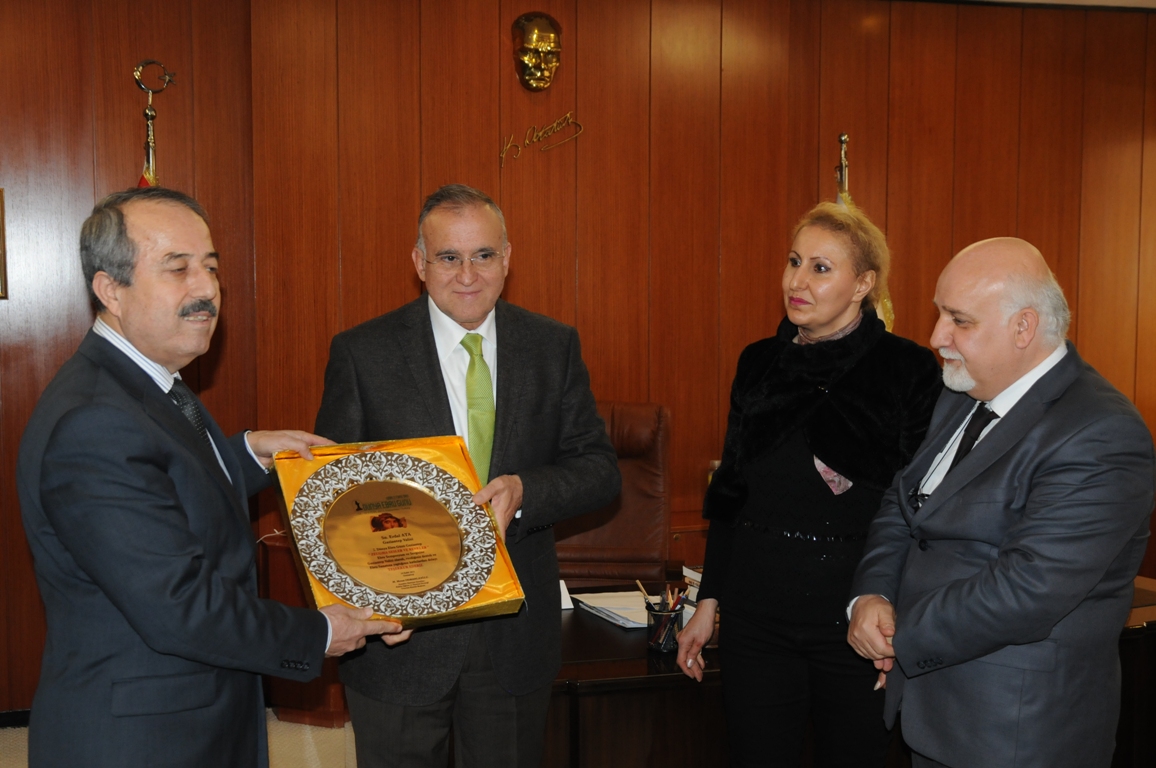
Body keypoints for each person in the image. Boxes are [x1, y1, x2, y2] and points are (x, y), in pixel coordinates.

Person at [17, 187, 411, 768]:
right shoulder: (95, 423)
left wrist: (247, 455)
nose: (206, 289)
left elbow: (161, 486)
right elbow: (180, 606)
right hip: (143, 740)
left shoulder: (145, 383)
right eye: (177, 269)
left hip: (186, 715)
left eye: (211, 267)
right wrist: (319, 634)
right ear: (110, 290)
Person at [314, 183, 620, 768]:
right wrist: (367, 604)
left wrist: (525, 490)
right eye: (448, 257)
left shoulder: (552, 345)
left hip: (513, 636)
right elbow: (335, 497)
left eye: (483, 255)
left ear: (507, 258)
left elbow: (599, 470)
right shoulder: (363, 353)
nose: (468, 275)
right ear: (419, 263)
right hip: (400, 636)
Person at [848, 237, 1156, 768]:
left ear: (1023, 327)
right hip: (935, 715)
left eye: (959, 320)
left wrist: (902, 634)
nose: (936, 336)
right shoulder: (960, 393)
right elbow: (905, 505)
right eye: (940, 314)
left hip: (1018, 733)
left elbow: (1029, 589)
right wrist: (871, 595)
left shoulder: (1101, 431)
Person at [676, 202, 942, 767]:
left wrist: (899, 615)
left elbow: (920, 510)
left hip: (854, 622)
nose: (796, 281)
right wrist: (708, 600)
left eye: (821, 268)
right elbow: (731, 492)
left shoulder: (908, 369)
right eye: (794, 261)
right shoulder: (759, 363)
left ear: (863, 284)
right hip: (756, 618)